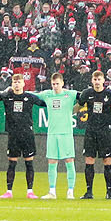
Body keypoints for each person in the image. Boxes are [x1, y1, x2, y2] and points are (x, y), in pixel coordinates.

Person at [33, 71, 79, 199]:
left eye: (57, 84)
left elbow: (85, 97)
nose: (55, 86)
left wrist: (76, 108)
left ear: (63, 83)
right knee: (52, 161)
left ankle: (70, 191)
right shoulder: (47, 94)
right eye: (53, 84)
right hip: (52, 133)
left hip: (66, 133)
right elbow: (33, 96)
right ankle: (52, 191)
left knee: (69, 161)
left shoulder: (70, 94)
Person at [76, 69, 111, 200]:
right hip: (91, 130)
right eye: (95, 80)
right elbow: (78, 107)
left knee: (107, 161)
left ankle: (109, 192)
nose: (97, 82)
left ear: (103, 81)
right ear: (92, 81)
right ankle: (89, 192)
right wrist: (66, 112)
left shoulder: (110, 94)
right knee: (89, 160)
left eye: (99, 80)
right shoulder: (87, 93)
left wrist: (110, 118)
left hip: (105, 131)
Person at [0, 72, 39, 199]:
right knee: (12, 163)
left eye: (19, 82)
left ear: (23, 83)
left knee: (29, 163)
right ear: (12, 84)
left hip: (27, 134)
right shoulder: (7, 96)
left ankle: (30, 191)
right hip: (13, 134)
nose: (16, 84)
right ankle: (9, 191)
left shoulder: (29, 97)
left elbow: (45, 102)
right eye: (14, 82)